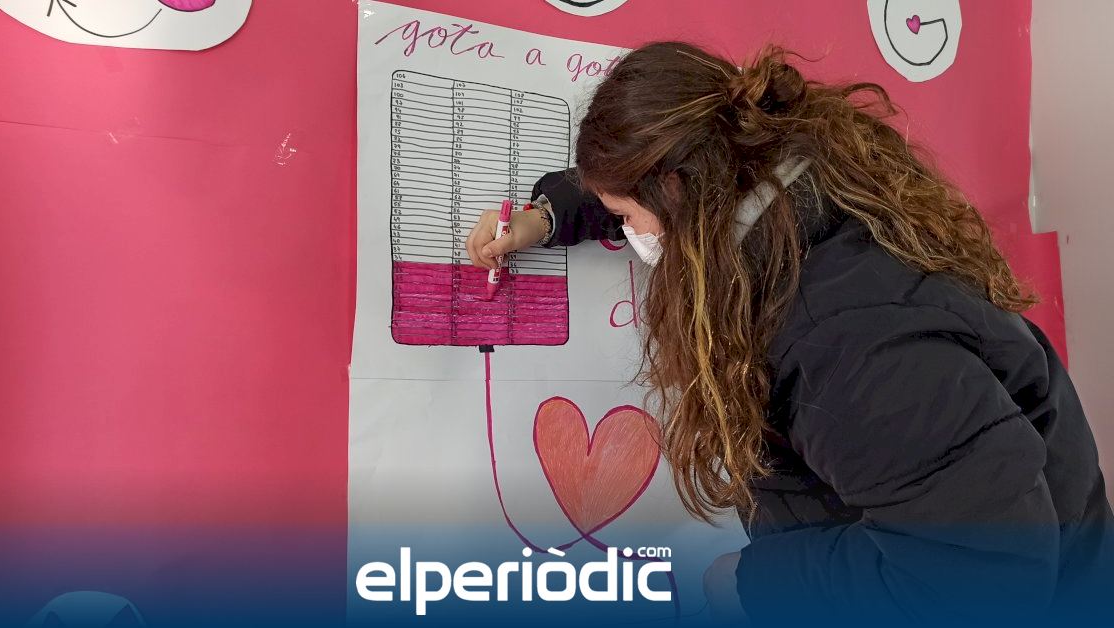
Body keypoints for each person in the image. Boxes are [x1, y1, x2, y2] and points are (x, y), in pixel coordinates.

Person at [466, 42, 1113, 625]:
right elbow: (644, 180)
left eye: (627, 217)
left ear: (676, 191)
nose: (629, 232)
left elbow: (981, 583)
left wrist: (753, 584)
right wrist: (546, 216)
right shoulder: (783, 174)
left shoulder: (852, 351)